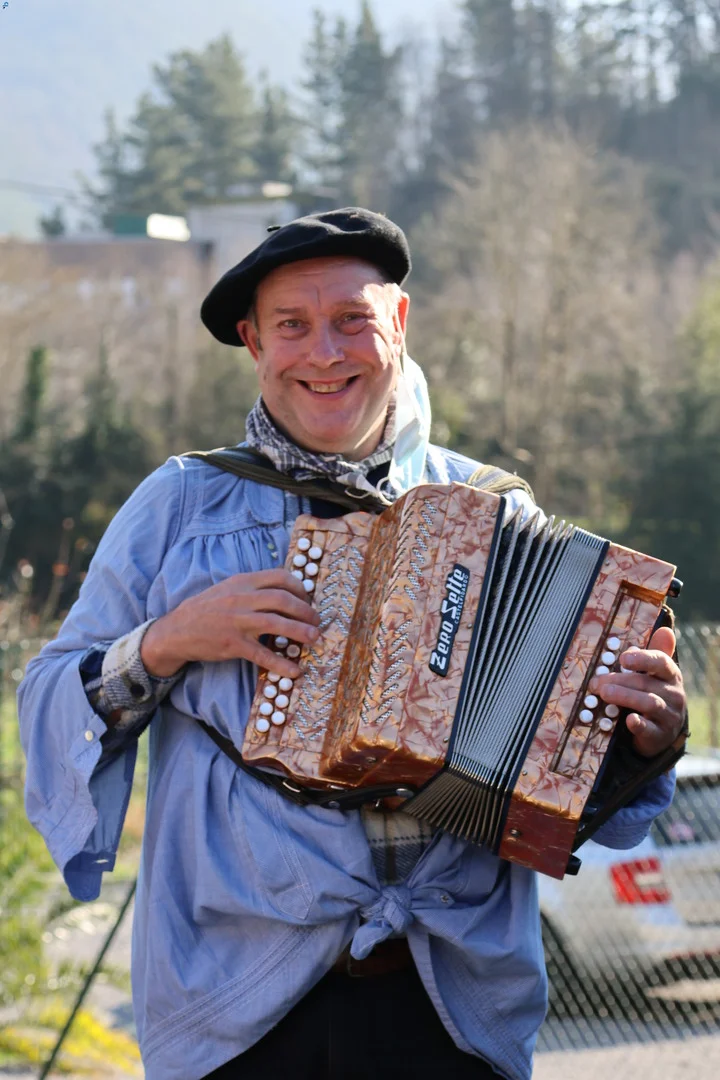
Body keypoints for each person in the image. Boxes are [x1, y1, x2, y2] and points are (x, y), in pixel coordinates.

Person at [18, 208, 688, 1080]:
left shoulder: (493, 509)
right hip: (238, 1014)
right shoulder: (179, 506)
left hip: (455, 1009)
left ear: (398, 323)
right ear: (255, 343)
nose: (324, 353)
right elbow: (47, 701)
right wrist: (166, 642)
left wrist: (642, 740)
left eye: (351, 320)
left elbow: (563, 786)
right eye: (292, 325)